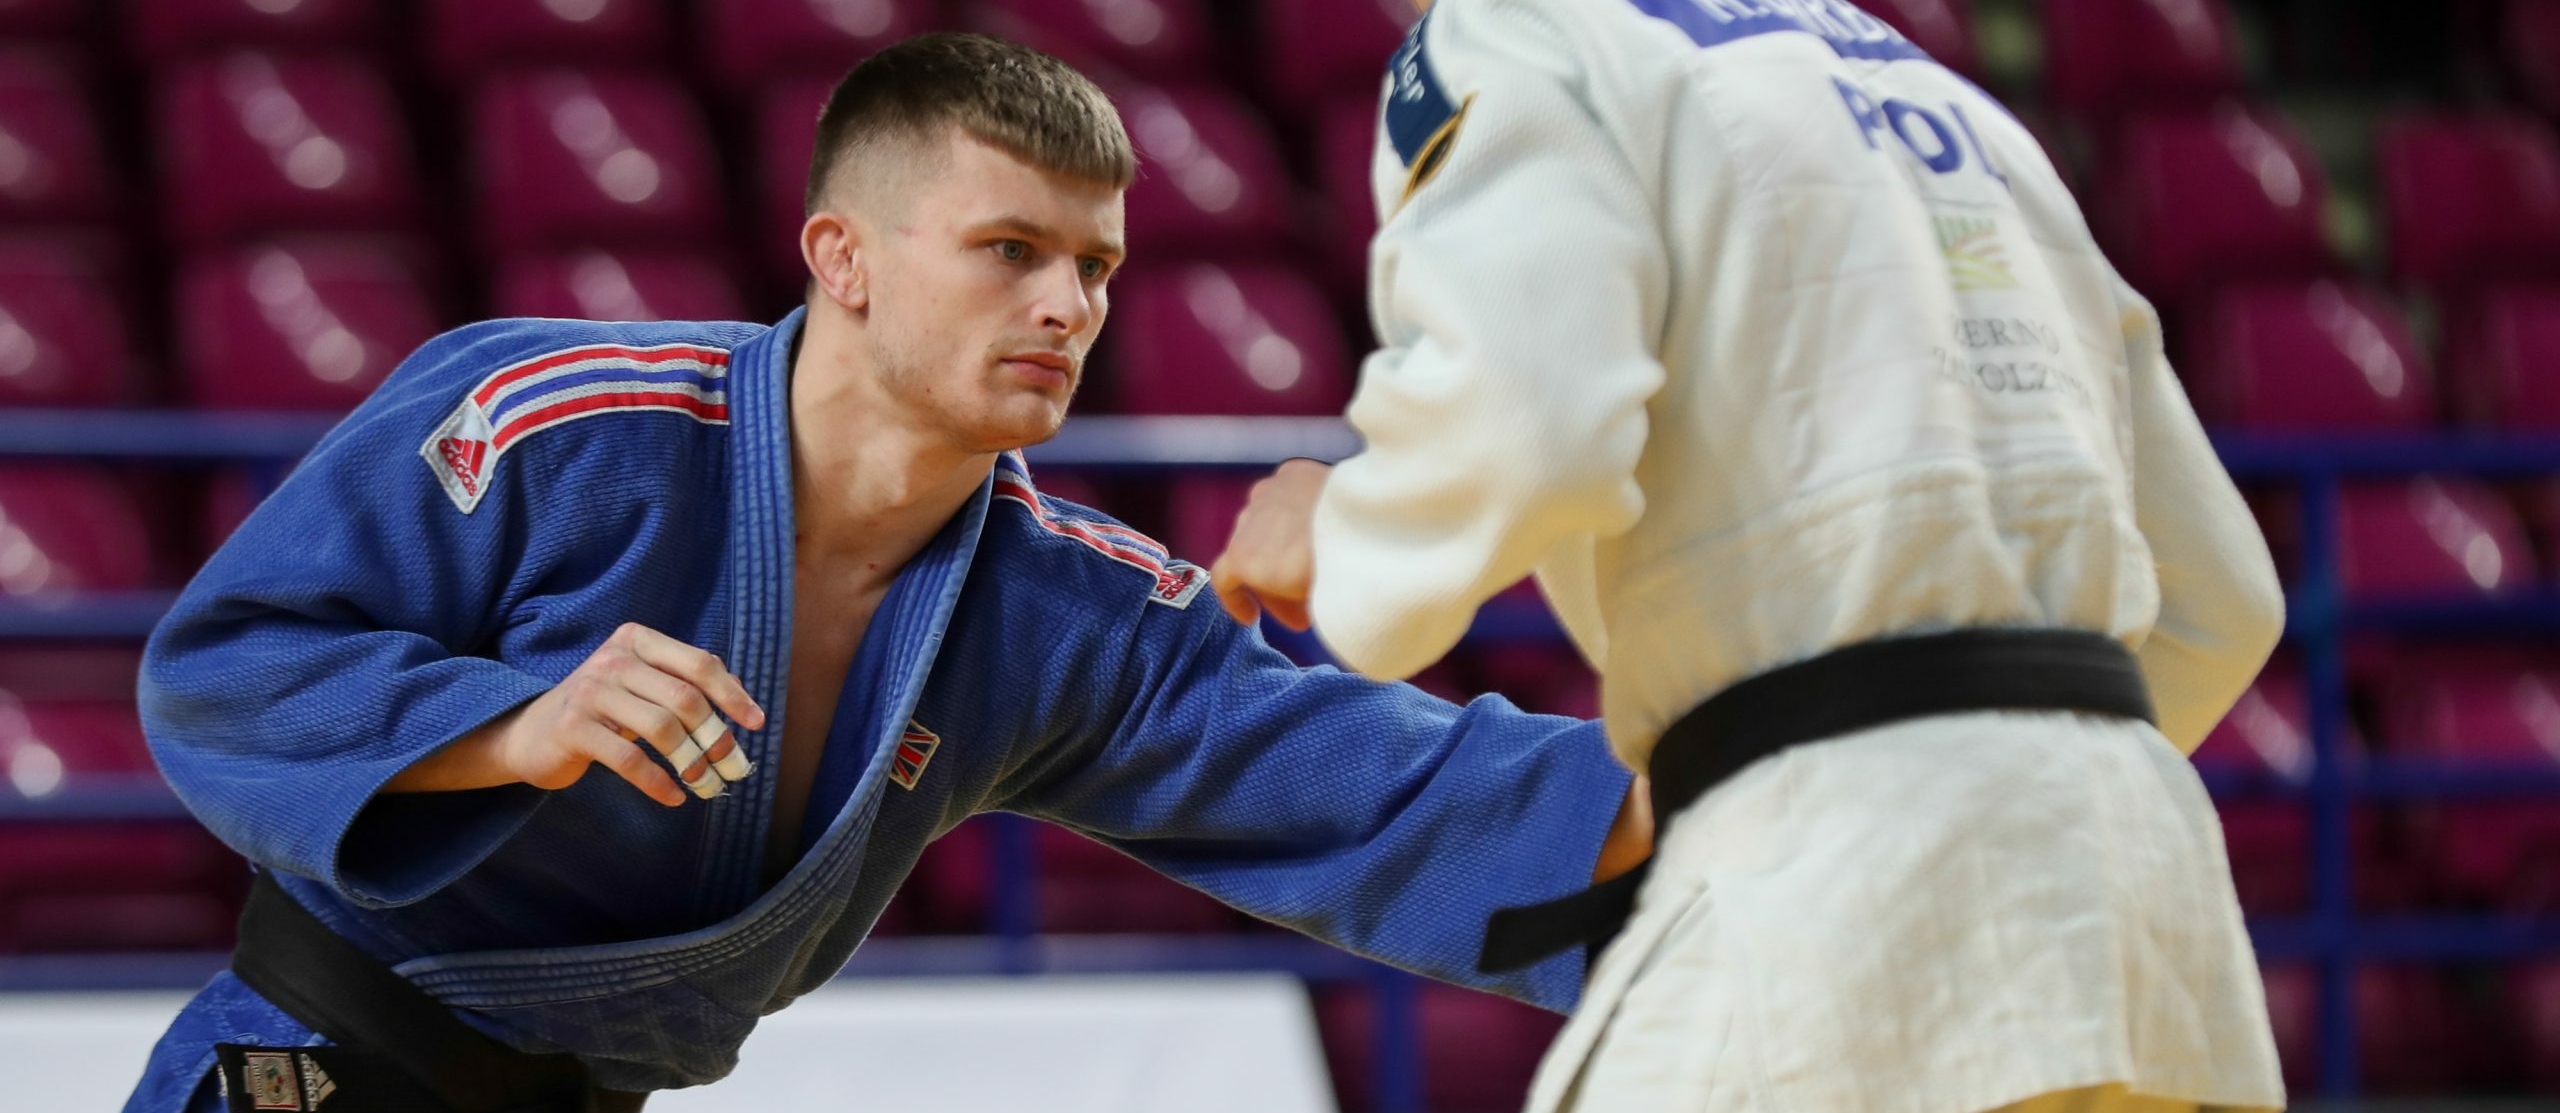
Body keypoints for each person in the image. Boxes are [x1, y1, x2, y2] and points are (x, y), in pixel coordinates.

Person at [125, 32, 1651, 1113]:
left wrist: (1748, 806)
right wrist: (514, 726)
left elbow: (1396, 796)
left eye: (1096, 266)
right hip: (305, 1070)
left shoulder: (1068, 613)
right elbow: (232, 663)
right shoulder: (555, 420)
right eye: (1009, 249)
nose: (1067, 305)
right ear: (842, 256)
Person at [1210, 1, 2289, 1111]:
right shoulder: (1948, 99)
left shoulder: (1526, 34)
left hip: (1835, 870)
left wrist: (1343, 534)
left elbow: (1533, 419)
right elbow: (2225, 602)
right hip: (2142, 909)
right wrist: (2018, 796)